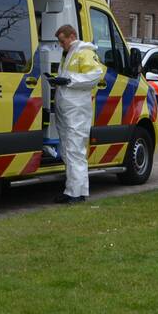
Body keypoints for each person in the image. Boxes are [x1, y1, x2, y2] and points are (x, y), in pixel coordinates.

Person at [49, 25, 104, 204]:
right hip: (68, 110)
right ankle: (72, 190)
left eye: (62, 41)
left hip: (76, 110)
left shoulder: (84, 51)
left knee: (75, 150)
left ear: (72, 36)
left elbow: (96, 75)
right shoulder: (69, 53)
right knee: (68, 150)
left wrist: (69, 81)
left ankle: (77, 194)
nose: (61, 44)